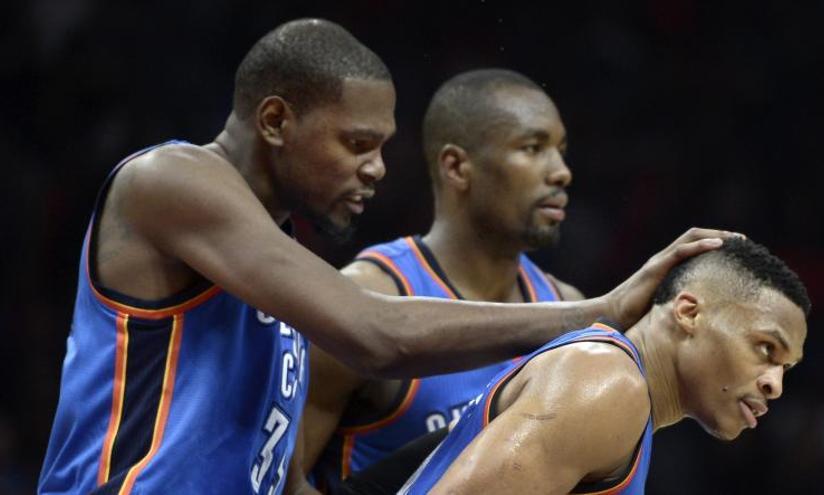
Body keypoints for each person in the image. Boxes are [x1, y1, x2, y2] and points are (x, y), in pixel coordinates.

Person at [38, 19, 733, 495]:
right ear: (277, 121)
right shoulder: (170, 181)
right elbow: (374, 333)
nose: (377, 169)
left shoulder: (270, 276)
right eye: (356, 143)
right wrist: (599, 312)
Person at [298, 68, 584, 494]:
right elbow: (276, 480)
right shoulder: (368, 298)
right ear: (456, 167)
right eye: (533, 147)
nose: (561, 172)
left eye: (560, 150)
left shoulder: (569, 307)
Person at [398, 237, 810, 495]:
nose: (775, 384)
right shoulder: (608, 384)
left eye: (786, 367)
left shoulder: (621, 397)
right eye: (765, 348)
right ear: (688, 312)